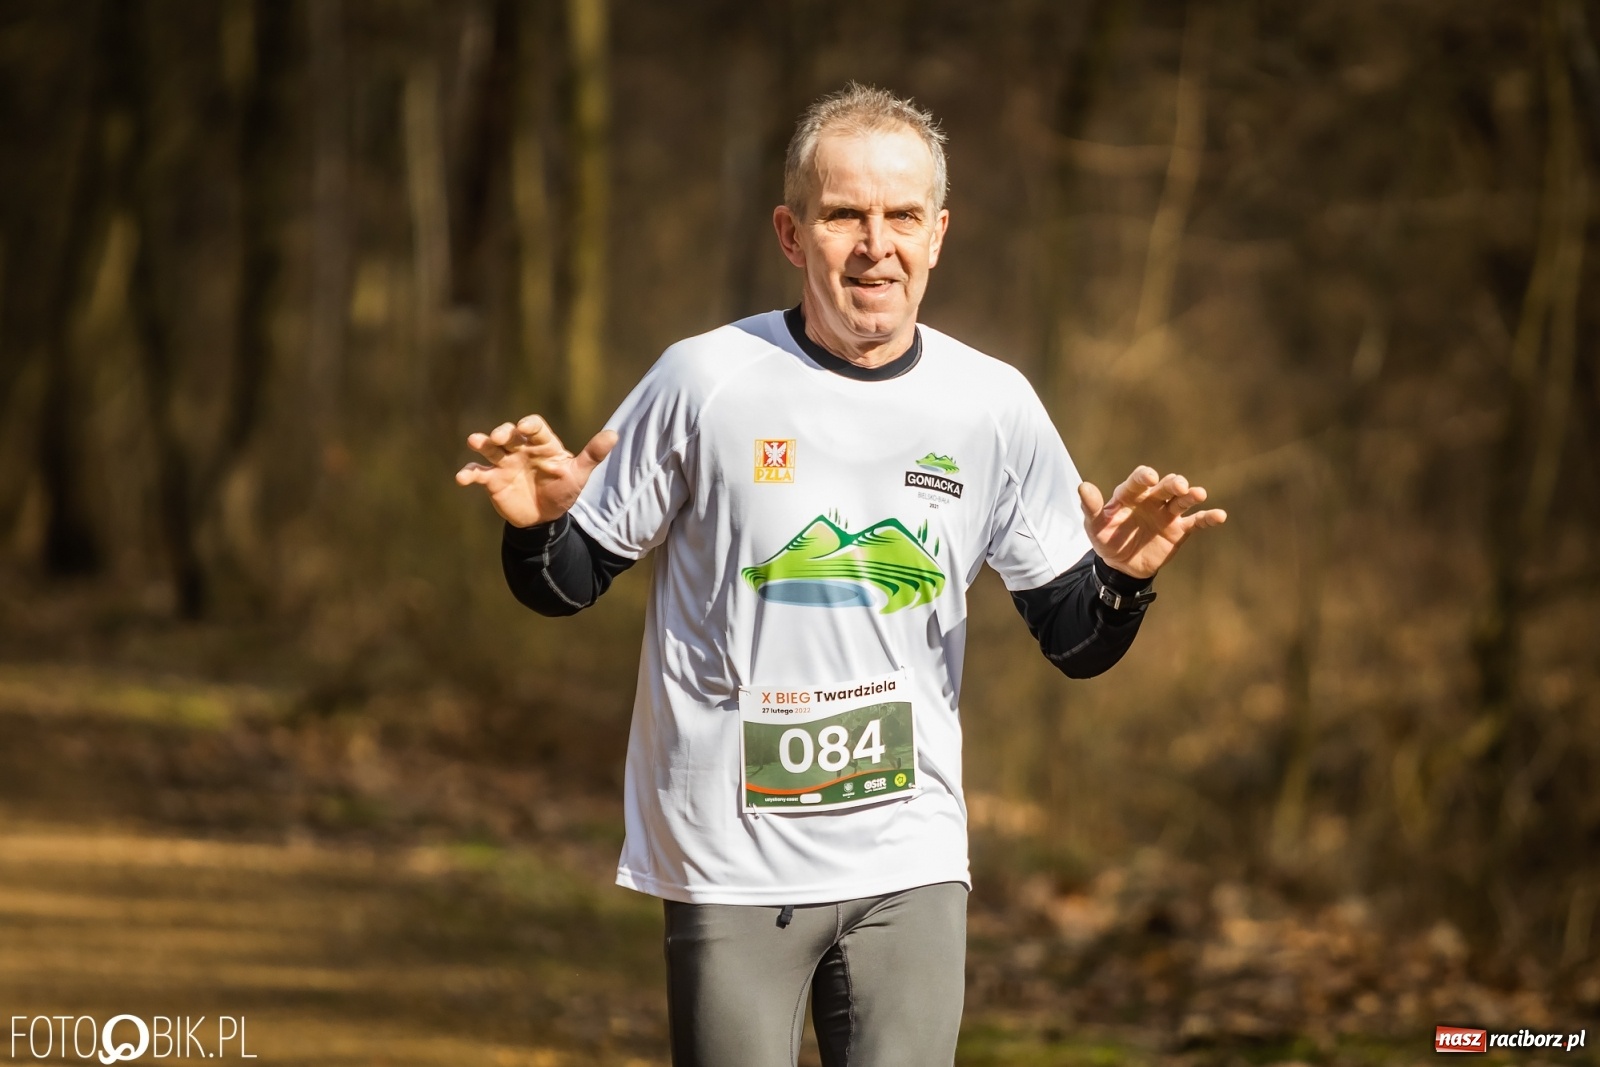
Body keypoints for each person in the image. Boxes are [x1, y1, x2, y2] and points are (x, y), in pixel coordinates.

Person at [456, 83, 1225, 1067]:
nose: (876, 244)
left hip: (910, 855)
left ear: (939, 233)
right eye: (843, 215)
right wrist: (537, 527)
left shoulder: (992, 403)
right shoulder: (703, 381)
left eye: (902, 215)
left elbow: (1074, 640)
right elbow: (563, 584)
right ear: (790, 231)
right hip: (731, 859)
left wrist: (1119, 577)